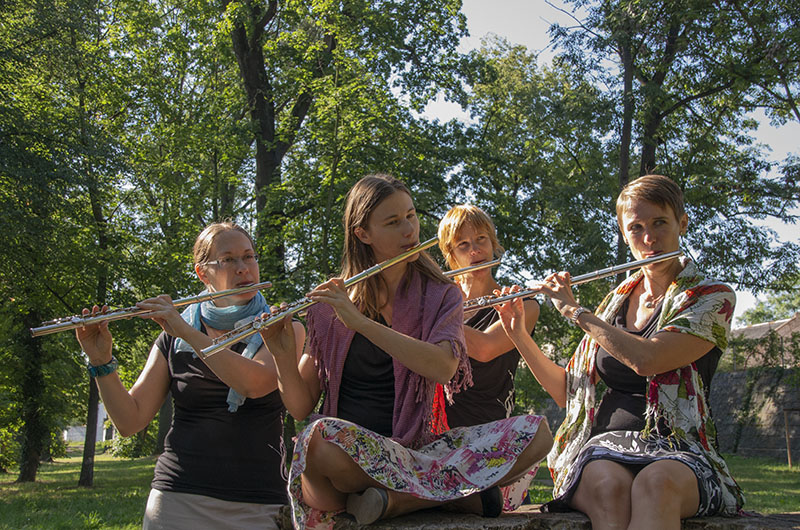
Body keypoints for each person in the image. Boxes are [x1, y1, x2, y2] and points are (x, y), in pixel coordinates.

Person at [261, 174, 552, 529]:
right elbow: (301, 405)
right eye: (393, 222)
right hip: (350, 454)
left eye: (411, 216)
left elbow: (445, 366)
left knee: (537, 434)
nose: (409, 230)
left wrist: (362, 323)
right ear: (362, 234)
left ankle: (397, 501)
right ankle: (451, 497)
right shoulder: (328, 308)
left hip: (417, 452)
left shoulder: (439, 295)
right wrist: (280, 353)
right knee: (317, 440)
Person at [496, 174, 744, 529]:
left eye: (660, 223)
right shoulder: (615, 303)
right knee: (611, 489)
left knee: (655, 485)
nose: (649, 239)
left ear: (682, 224)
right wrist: (518, 334)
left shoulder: (710, 297)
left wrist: (576, 312)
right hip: (605, 446)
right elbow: (570, 393)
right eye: (636, 228)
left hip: (679, 449)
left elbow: (648, 359)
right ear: (624, 235)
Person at [75, 222, 305, 530]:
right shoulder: (172, 338)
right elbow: (130, 421)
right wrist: (101, 361)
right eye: (228, 260)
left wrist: (184, 330)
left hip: (257, 502)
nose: (243, 268)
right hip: (176, 499)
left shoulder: (280, 329)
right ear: (202, 273)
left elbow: (253, 383)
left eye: (249, 257)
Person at [437, 205, 543, 510]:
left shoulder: (521, 303)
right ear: (451, 254)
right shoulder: (438, 301)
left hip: (490, 437)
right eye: (463, 244)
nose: (475, 250)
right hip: (436, 436)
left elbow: (484, 348)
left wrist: (432, 313)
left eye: (481, 239)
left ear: (494, 244)